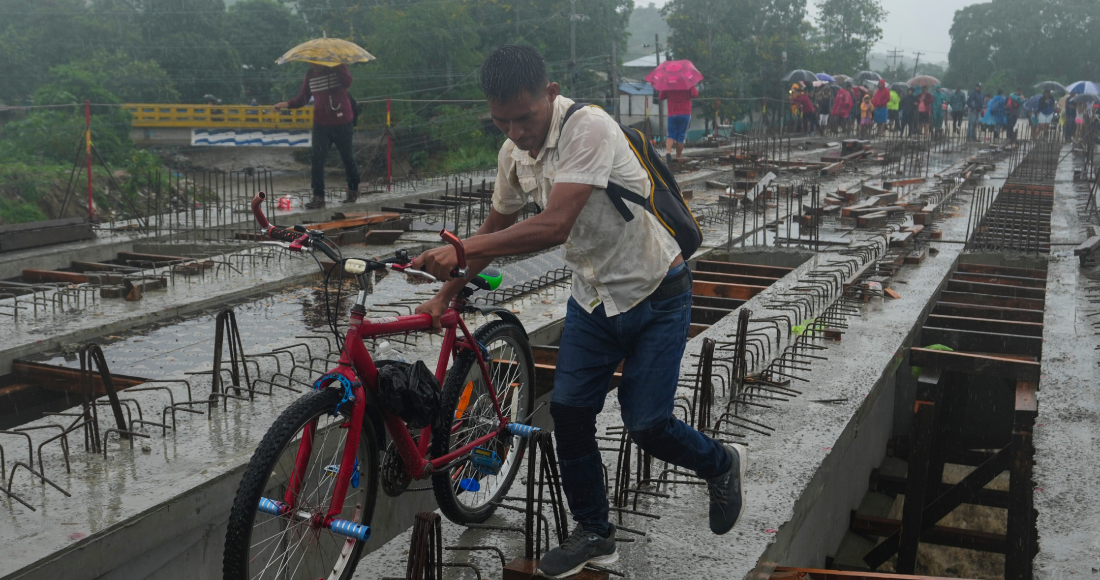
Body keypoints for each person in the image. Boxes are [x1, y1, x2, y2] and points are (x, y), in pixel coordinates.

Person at [410, 45, 748, 579]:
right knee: (568, 412)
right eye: (502, 121)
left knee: (647, 423)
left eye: (525, 117)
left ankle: (721, 463)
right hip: (593, 299)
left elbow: (555, 224)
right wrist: (444, 296)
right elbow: (494, 230)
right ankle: (594, 532)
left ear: (550, 93)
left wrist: (460, 251)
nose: (516, 131)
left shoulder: (588, 127)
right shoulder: (512, 154)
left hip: (656, 291)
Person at [275, 63, 360, 209]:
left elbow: (348, 82)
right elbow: (303, 99)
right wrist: (285, 104)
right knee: (317, 159)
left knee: (347, 157)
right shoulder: (310, 75)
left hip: (342, 122)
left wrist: (337, 67)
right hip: (321, 124)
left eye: (317, 62)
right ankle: (318, 196)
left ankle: (353, 190)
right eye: (312, 62)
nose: (314, 65)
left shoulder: (338, 67)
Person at [658, 85, 699, 163]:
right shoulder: (687, 84)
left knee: (671, 135)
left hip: (672, 113)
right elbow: (695, 94)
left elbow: (661, 97)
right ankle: (678, 157)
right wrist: (691, 86)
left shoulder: (669, 84)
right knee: (681, 136)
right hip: (685, 113)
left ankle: (668, 152)